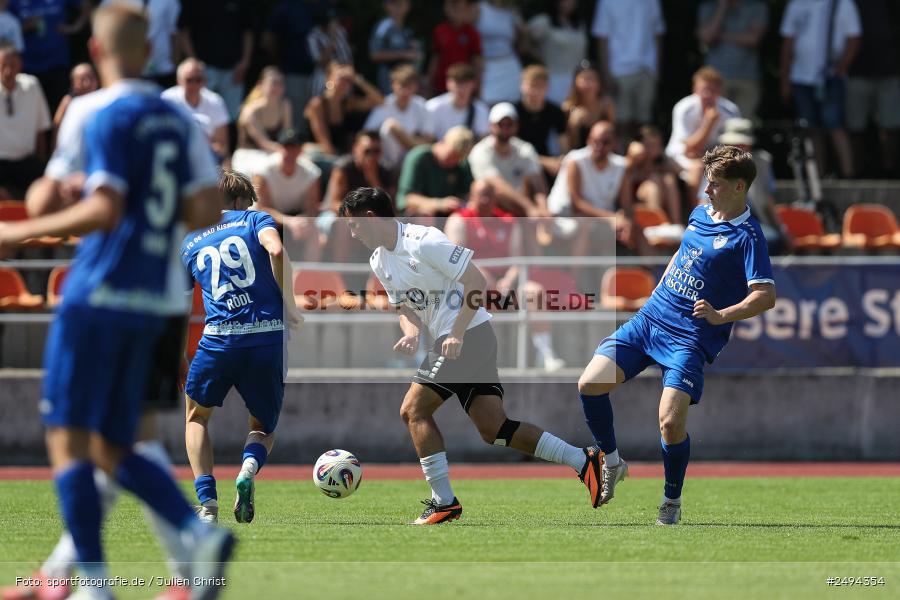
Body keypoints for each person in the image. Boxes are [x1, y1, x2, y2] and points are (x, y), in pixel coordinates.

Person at [0, 5, 233, 598]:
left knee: (69, 435)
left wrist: (18, 232)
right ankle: (81, 577)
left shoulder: (92, 108)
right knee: (124, 438)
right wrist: (145, 221)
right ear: (150, 54)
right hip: (160, 298)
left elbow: (84, 205)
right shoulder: (179, 118)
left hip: (99, 292)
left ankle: (101, 579)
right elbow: (207, 208)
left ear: (97, 53)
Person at [340, 186, 605, 524]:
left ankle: (443, 502)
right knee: (493, 428)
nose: (351, 233)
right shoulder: (378, 259)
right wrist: (411, 332)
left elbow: (476, 282)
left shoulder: (424, 241)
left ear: (370, 218)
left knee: (412, 410)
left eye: (353, 225)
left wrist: (457, 332)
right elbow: (403, 305)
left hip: (469, 336)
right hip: (462, 339)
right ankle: (584, 461)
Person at [577, 145, 776, 526]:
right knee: (589, 383)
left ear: (738, 186)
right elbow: (682, 253)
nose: (706, 191)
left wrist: (721, 316)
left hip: (690, 337)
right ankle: (612, 462)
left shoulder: (749, 236)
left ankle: (671, 501)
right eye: (706, 183)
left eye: (714, 185)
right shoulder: (700, 214)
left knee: (669, 422)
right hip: (652, 319)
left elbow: (765, 295)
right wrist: (659, 290)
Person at [183, 169, 303, 525]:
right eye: (247, 201)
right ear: (238, 201)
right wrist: (290, 306)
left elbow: (177, 307)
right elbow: (277, 249)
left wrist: (177, 355)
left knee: (196, 417)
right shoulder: (255, 220)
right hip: (267, 337)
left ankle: (207, 504)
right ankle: (247, 471)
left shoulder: (190, 240)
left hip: (218, 339)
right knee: (264, 428)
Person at [445, 179, 565, 371]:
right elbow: (455, 259)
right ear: (471, 196)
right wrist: (481, 276)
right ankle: (471, 358)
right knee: (475, 290)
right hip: (472, 286)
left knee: (535, 293)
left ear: (496, 198)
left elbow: (517, 259)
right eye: (481, 194)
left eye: (489, 195)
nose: (485, 200)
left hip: (504, 286)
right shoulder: (458, 220)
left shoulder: (508, 222)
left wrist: (508, 279)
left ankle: (545, 354)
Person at [779, 0, 860, 178]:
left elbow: (853, 37)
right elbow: (788, 43)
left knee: (834, 124)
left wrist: (840, 69)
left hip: (830, 76)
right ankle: (817, 176)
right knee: (810, 128)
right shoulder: (796, 5)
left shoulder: (842, 4)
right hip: (801, 77)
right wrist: (785, 79)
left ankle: (848, 174)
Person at [591, 0, 665, 141]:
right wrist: (606, 75)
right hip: (618, 71)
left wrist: (656, 70)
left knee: (644, 125)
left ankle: (641, 160)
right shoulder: (607, 2)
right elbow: (602, 39)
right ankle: (623, 159)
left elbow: (658, 34)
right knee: (620, 124)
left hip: (646, 70)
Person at [665, 67, 741, 198]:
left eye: (712, 90)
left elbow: (735, 146)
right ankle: (696, 214)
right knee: (698, 168)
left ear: (719, 91)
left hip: (712, 157)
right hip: (679, 156)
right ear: (695, 89)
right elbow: (689, 148)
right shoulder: (683, 108)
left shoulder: (731, 111)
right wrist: (708, 123)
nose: (707, 95)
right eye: (703, 90)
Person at [845, 0, 900, 178]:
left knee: (890, 127)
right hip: (856, 70)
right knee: (855, 128)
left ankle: (890, 172)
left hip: (889, 71)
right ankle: (856, 174)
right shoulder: (848, 3)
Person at [177, 0, 255, 123]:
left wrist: (245, 62)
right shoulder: (194, 3)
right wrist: (194, 63)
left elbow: (248, 31)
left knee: (232, 117)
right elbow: (183, 31)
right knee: (201, 115)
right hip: (204, 70)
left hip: (233, 69)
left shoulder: (241, 3)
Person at [252, 128, 323, 258]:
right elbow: (262, 209)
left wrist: (303, 222)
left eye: (294, 147)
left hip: (297, 218)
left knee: (315, 233)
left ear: (301, 150)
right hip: (269, 220)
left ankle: (309, 274)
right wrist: (289, 222)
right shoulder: (262, 172)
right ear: (279, 148)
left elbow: (311, 208)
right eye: (286, 147)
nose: (289, 152)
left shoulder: (311, 173)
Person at [8, 0, 91, 113]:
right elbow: (6, 24)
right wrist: (25, 26)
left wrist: (73, 28)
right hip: (29, 68)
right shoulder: (15, 3)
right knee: (31, 112)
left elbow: (86, 6)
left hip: (57, 63)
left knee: (60, 109)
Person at [468, 102, 547, 217]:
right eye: (501, 124)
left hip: (523, 210)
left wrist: (543, 209)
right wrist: (529, 208)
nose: (505, 128)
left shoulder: (525, 149)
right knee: (491, 190)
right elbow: (498, 185)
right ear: (491, 126)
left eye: (509, 124)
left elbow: (538, 183)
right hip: (495, 212)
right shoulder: (480, 151)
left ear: (516, 126)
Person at [695, 0, 769, 120]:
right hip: (716, 80)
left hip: (748, 77)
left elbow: (753, 39)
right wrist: (722, 7)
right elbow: (707, 36)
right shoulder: (708, 7)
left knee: (742, 128)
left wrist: (721, 35)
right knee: (714, 125)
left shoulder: (757, 6)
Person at [0, 42, 50, 199]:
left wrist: (41, 162)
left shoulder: (32, 86)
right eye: (3, 65)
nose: (8, 71)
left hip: (27, 162)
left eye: (12, 65)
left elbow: (41, 127)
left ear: (20, 65)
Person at [304, 62, 383, 158]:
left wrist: (358, 79)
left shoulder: (348, 104)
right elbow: (324, 142)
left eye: (349, 80)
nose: (345, 83)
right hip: (319, 154)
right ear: (329, 78)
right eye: (341, 78)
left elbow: (379, 101)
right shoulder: (317, 105)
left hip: (340, 154)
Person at [363, 63, 432, 173]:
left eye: (409, 86)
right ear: (392, 85)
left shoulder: (421, 105)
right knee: (389, 126)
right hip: (383, 164)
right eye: (401, 86)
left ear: (416, 87)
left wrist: (403, 136)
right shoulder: (384, 105)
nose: (405, 91)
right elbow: (366, 135)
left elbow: (428, 140)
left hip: (412, 162)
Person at [396, 125, 473, 217]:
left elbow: (467, 194)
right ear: (442, 142)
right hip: (420, 217)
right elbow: (408, 198)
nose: (453, 161)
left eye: (458, 158)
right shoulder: (419, 158)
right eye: (451, 155)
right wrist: (439, 204)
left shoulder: (461, 165)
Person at [162, 58, 230, 163]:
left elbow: (222, 147)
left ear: (205, 81)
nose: (194, 84)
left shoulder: (215, 102)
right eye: (189, 80)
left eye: (198, 79)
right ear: (179, 81)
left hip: (207, 159)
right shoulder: (167, 100)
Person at [526, 0, 588, 106]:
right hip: (553, 81)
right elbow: (524, 40)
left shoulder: (579, 24)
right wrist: (539, 56)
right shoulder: (544, 22)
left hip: (577, 82)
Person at [514, 64, 567, 177]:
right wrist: (544, 162)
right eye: (532, 86)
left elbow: (564, 145)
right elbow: (512, 148)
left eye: (540, 86)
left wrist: (562, 160)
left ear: (547, 87)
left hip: (547, 160)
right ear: (522, 86)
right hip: (517, 163)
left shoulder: (555, 111)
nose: (535, 91)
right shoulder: (513, 112)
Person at [474, 0, 527, 104]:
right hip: (486, 67)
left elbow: (523, 38)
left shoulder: (512, 11)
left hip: (509, 66)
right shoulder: (478, 8)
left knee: (512, 106)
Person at [628, 125, 684, 224]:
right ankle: (656, 223)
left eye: (656, 145)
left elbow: (680, 171)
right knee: (654, 182)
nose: (653, 149)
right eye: (649, 145)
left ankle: (676, 224)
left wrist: (664, 157)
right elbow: (627, 177)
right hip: (638, 201)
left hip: (661, 198)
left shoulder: (662, 161)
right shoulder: (635, 162)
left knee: (669, 179)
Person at [427, 0, 482, 96]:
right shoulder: (440, 30)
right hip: (442, 84)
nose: (456, 11)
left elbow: (477, 61)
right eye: (453, 7)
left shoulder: (472, 32)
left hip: (464, 85)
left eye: (460, 8)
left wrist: (477, 84)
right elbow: (435, 58)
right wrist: (430, 82)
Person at [425, 62, 489, 140]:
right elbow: (427, 140)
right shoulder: (433, 107)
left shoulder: (480, 110)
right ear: (448, 83)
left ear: (473, 84)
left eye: (465, 84)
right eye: (458, 83)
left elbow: (483, 139)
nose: (461, 89)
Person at [369, 0, 421, 94]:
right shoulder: (384, 27)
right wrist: (404, 54)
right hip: (389, 83)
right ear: (386, 6)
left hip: (406, 82)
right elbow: (375, 54)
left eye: (401, 3)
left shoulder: (407, 30)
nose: (398, 7)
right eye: (394, 3)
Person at [562, 60, 615, 151]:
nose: (587, 84)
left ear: (599, 83)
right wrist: (573, 126)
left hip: (602, 154)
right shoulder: (567, 107)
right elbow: (567, 146)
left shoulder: (606, 105)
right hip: (578, 155)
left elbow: (612, 137)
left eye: (591, 79)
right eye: (584, 79)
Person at [307, 5, 353, 97]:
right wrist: (332, 38)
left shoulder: (341, 31)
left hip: (344, 76)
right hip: (323, 79)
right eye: (334, 20)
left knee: (343, 106)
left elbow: (347, 55)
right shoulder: (313, 37)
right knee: (324, 104)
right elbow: (319, 63)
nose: (338, 23)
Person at [52, 62, 98, 136]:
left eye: (91, 77)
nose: (87, 83)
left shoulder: (105, 100)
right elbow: (57, 126)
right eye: (82, 79)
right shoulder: (68, 102)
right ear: (73, 83)